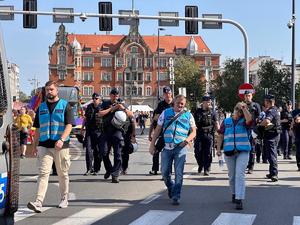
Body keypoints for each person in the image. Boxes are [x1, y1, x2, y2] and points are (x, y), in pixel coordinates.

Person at [27, 81, 73, 213]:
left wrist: (61, 139)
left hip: (61, 145)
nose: (49, 92)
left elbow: (69, 125)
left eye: (51, 89)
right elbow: (37, 128)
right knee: (43, 173)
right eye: (47, 90)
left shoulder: (65, 106)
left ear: (57, 90)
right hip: (44, 145)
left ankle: (64, 198)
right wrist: (35, 145)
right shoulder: (41, 107)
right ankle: (39, 202)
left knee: (62, 173)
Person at [149, 94, 197, 205]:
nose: (180, 105)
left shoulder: (188, 115)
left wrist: (187, 140)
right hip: (167, 148)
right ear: (173, 103)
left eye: (182, 104)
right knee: (165, 173)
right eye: (178, 103)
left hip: (180, 148)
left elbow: (194, 131)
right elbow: (158, 129)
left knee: (179, 173)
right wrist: (152, 144)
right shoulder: (165, 113)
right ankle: (171, 187)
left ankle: (176, 196)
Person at [217, 102, 252, 210]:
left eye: (241, 110)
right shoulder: (227, 121)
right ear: (234, 109)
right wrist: (218, 149)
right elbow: (220, 135)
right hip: (229, 152)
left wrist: (245, 108)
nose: (239, 111)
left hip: (243, 151)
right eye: (237, 109)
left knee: (239, 174)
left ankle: (239, 198)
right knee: (232, 175)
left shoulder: (245, 121)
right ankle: (234, 193)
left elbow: (249, 120)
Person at [99, 88, 133, 183]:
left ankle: (115, 174)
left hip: (117, 132)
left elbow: (131, 115)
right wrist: (112, 108)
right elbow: (100, 113)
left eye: (117, 95)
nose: (115, 97)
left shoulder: (121, 103)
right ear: (110, 95)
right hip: (106, 131)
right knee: (103, 152)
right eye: (113, 95)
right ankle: (109, 169)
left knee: (118, 155)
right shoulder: (105, 103)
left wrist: (123, 109)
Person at [81, 93, 110, 176]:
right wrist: (82, 129)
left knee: (98, 151)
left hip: (99, 132)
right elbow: (85, 118)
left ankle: (96, 168)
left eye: (96, 98)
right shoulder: (89, 107)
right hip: (89, 131)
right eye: (93, 98)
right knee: (88, 151)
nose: (94, 99)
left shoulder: (103, 106)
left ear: (100, 99)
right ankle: (89, 169)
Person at [148, 86, 173, 175]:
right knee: (156, 150)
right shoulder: (160, 105)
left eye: (169, 93)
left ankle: (168, 172)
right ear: (163, 95)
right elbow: (154, 120)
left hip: (172, 133)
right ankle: (155, 169)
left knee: (170, 153)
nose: (167, 95)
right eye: (166, 94)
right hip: (162, 132)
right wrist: (150, 134)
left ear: (171, 94)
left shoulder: (175, 104)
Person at [193, 95, 219, 176]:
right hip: (199, 134)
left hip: (209, 134)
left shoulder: (213, 112)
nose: (209, 103)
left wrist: (219, 133)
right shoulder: (197, 112)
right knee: (198, 152)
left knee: (208, 152)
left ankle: (207, 168)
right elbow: (193, 124)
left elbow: (216, 123)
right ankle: (200, 164)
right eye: (208, 102)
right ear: (203, 103)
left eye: (210, 102)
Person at [258, 94, 281, 182]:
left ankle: (274, 174)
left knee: (272, 155)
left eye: (265, 101)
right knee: (269, 154)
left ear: (268, 102)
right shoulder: (273, 110)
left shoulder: (272, 110)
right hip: (270, 134)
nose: (264, 103)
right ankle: (272, 173)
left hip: (272, 135)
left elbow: (267, 121)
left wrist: (259, 125)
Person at [243, 90, 261, 174]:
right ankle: (244, 164)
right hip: (243, 129)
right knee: (243, 149)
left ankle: (251, 166)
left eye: (249, 95)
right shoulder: (242, 105)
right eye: (246, 96)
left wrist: (258, 129)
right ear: (244, 97)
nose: (247, 97)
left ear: (252, 96)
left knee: (252, 148)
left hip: (253, 129)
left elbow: (260, 117)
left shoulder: (256, 105)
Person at [292, 102, 300, 171]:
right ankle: (299, 165)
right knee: (298, 150)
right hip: (297, 133)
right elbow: (294, 120)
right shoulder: (295, 112)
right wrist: (290, 129)